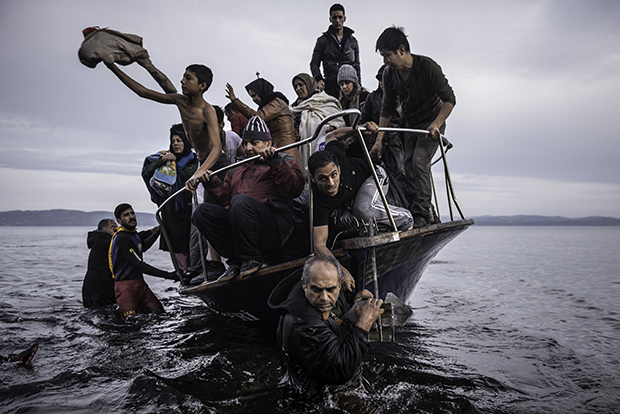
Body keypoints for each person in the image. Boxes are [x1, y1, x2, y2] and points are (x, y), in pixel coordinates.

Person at [192, 116, 304, 281]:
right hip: (241, 227)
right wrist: (212, 183)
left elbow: (293, 188)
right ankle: (235, 261)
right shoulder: (237, 167)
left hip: (273, 228)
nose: (248, 148)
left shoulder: (284, 159)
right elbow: (225, 200)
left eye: (254, 143)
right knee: (201, 212)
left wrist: (275, 161)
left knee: (240, 201)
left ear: (268, 143)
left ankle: (252, 258)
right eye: (245, 143)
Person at [268, 255, 383, 409]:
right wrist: (363, 323)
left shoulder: (315, 292)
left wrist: (353, 310)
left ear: (339, 283)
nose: (324, 297)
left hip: (334, 380)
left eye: (330, 289)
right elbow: (339, 370)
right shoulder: (306, 324)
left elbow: (331, 329)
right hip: (323, 395)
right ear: (304, 284)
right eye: (316, 289)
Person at [370, 26, 456, 228]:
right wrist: (379, 140)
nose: (385, 61)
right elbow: (387, 108)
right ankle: (418, 210)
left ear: (401, 49)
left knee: (419, 163)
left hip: (432, 124)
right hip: (411, 125)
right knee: (408, 168)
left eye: (387, 55)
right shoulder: (389, 75)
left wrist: (437, 123)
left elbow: (449, 100)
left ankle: (422, 216)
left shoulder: (427, 67)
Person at [308, 123, 413, 288]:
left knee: (363, 209)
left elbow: (331, 136)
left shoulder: (335, 155)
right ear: (313, 179)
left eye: (334, 175)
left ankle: (406, 218)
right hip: (352, 197)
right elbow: (319, 245)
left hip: (373, 176)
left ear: (339, 169)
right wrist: (341, 271)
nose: (331, 183)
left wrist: (358, 127)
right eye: (323, 178)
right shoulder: (319, 201)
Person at [104, 61, 225, 192]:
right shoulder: (180, 101)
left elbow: (217, 149)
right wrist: (112, 66)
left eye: (188, 78)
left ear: (202, 86)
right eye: (183, 77)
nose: (182, 81)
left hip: (215, 164)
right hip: (202, 164)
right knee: (204, 207)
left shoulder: (207, 111)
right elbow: (143, 92)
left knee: (221, 203)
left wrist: (198, 173)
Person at [142, 124, 198, 274]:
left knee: (192, 240)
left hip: (188, 207)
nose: (176, 144)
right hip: (170, 209)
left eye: (179, 140)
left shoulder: (194, 161)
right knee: (175, 242)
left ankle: (196, 269)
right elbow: (147, 172)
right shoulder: (164, 158)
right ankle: (183, 273)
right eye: (173, 141)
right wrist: (163, 160)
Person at [109, 203, 176, 321]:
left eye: (132, 213)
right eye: (126, 215)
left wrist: (158, 231)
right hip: (126, 288)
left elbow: (142, 246)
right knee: (131, 323)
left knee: (160, 314)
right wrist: (169, 275)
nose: (131, 217)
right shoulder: (122, 238)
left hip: (141, 285)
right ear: (119, 221)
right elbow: (139, 265)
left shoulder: (132, 235)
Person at [225, 78, 302, 166]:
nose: (254, 100)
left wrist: (235, 101)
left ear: (262, 91)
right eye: (252, 97)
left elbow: (259, 117)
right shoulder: (269, 106)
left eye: (254, 95)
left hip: (286, 152)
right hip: (277, 152)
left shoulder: (276, 103)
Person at [289, 73, 344, 175]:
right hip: (301, 152)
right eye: (295, 86)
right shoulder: (295, 108)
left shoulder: (324, 101)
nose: (298, 89)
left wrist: (333, 127)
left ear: (309, 84)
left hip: (322, 150)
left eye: (301, 84)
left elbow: (339, 122)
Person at [310, 3, 361, 99]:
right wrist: (319, 79)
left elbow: (357, 65)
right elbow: (314, 63)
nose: (337, 20)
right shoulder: (322, 40)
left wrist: (359, 86)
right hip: (330, 86)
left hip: (349, 88)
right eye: (334, 18)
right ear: (330, 19)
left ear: (344, 18)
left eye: (340, 17)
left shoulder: (353, 41)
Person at [82, 218, 117, 308]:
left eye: (117, 227)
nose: (116, 229)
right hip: (96, 288)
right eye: (113, 227)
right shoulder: (104, 240)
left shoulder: (102, 240)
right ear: (103, 229)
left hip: (99, 286)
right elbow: (126, 242)